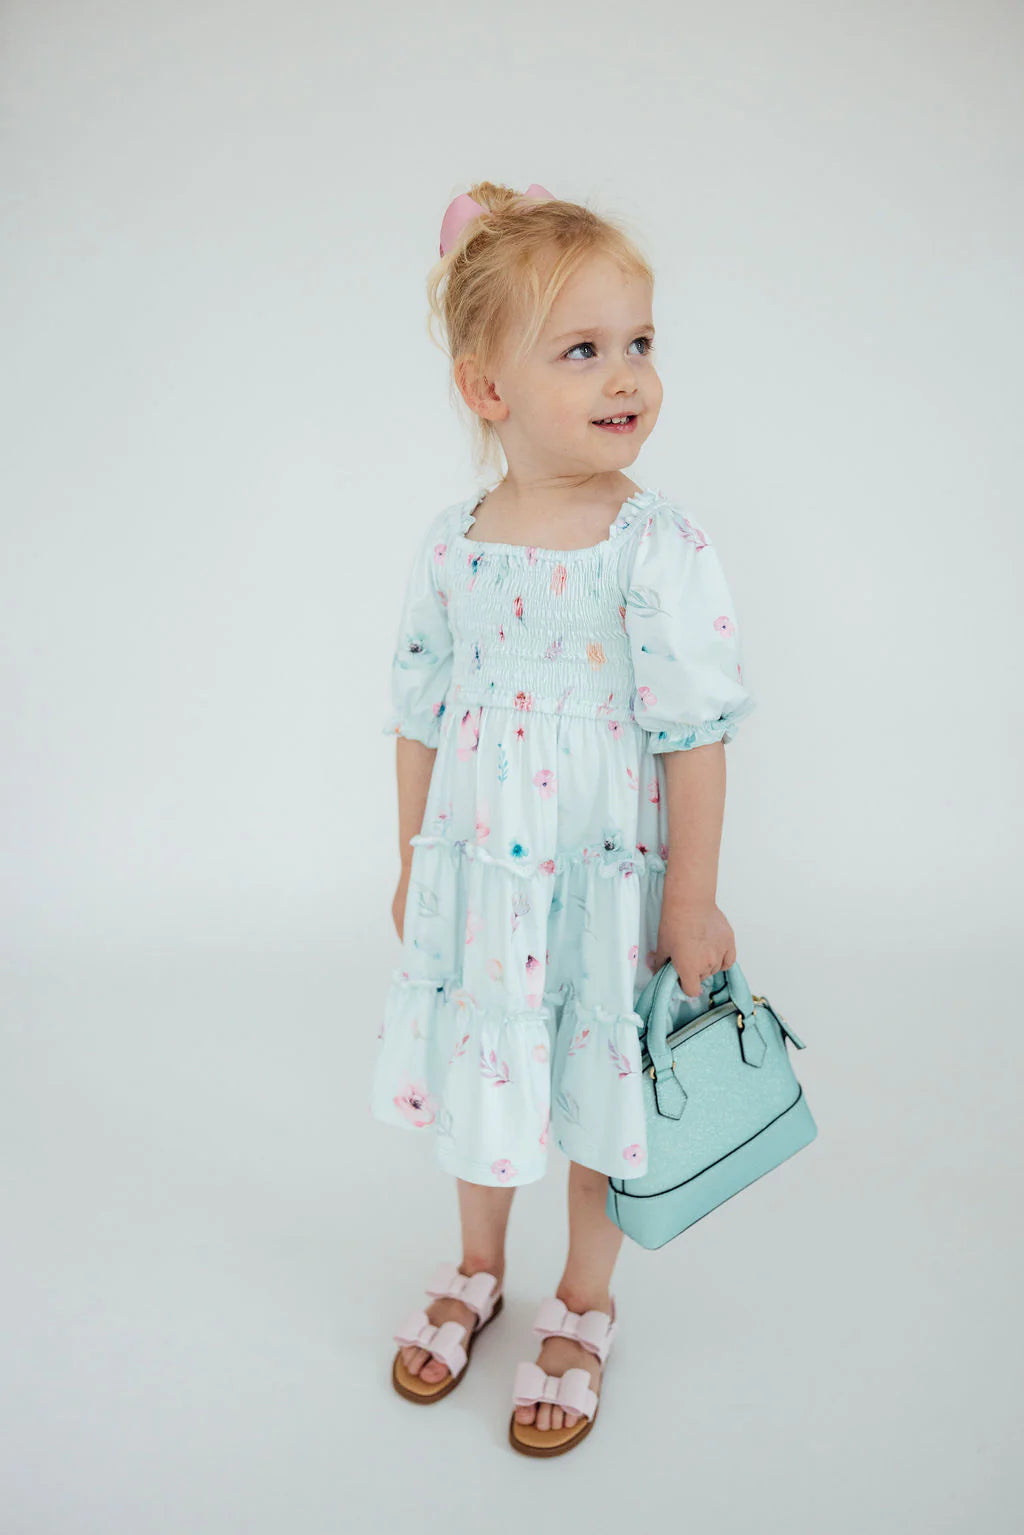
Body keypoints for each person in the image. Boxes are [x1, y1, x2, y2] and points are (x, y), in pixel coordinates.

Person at [372, 181, 757, 1455]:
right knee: (487, 1066)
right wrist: (409, 857)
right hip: (485, 876)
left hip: (603, 877)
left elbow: (692, 740)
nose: (627, 376)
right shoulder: (456, 540)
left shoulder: (653, 542)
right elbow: (421, 709)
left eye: (641, 342)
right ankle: (478, 1265)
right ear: (489, 389)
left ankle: (583, 1302)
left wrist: (691, 898)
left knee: (596, 1081)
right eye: (582, 348)